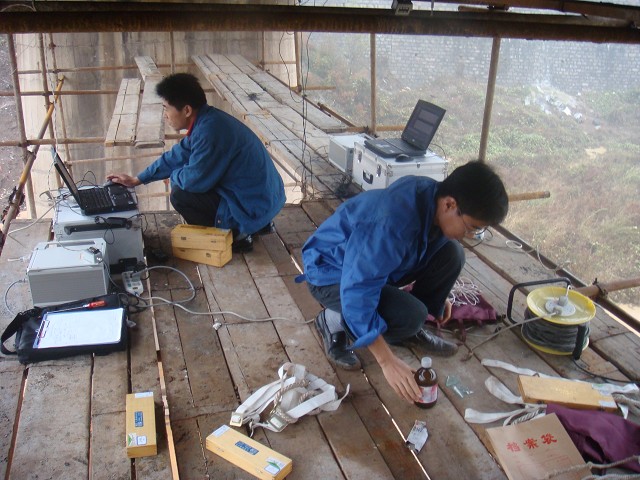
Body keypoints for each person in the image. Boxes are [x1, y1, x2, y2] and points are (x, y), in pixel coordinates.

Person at [300, 161, 508, 403]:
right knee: (411, 315)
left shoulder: (432, 197)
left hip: (368, 267)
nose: (471, 235)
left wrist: (440, 297)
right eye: (472, 228)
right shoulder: (392, 223)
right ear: (450, 204)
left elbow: (422, 251)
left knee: (453, 253)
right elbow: (357, 290)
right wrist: (387, 361)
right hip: (330, 274)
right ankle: (332, 319)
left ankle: (407, 328)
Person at [107, 73, 286, 253]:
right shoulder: (208, 121)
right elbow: (177, 156)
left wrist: (174, 176)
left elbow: (195, 182)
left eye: (166, 109)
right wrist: (138, 179)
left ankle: (236, 236)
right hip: (264, 198)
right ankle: (257, 225)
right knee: (183, 180)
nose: (165, 116)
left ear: (186, 110)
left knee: (181, 195)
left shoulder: (210, 132)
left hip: (254, 204)